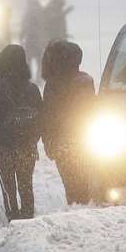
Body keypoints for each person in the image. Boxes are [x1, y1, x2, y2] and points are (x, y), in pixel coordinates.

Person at [0, 45, 43, 221]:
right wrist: (32, 140)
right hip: (27, 148)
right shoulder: (32, 89)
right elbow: (41, 118)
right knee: (26, 186)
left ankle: (13, 219)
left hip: (3, 149)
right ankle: (29, 220)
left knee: (9, 190)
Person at [42, 40, 95, 205]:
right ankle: (83, 203)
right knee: (83, 178)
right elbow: (91, 110)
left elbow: (48, 117)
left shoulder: (52, 84)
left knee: (70, 181)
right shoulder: (86, 81)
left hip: (61, 140)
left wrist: (48, 141)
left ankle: (74, 204)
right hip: (84, 138)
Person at [20, 0, 45, 80]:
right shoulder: (41, 9)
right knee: (39, 61)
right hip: (38, 39)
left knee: (29, 60)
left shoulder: (29, 11)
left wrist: (22, 36)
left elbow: (24, 25)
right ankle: (38, 78)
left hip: (30, 39)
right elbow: (44, 24)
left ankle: (29, 78)